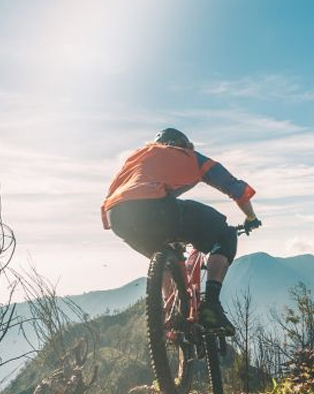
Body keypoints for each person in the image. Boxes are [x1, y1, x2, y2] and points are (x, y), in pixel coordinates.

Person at [102, 128, 261, 333]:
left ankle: (173, 311)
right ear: (184, 145)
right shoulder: (188, 156)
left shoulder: (135, 159)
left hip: (117, 217)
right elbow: (234, 187)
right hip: (154, 207)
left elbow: (113, 196)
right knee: (225, 233)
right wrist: (251, 217)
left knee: (164, 256)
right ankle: (211, 305)